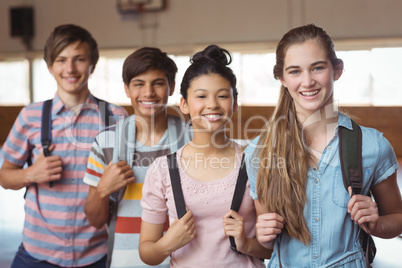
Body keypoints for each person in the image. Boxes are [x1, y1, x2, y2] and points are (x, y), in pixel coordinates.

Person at [244, 24, 402, 267]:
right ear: (282, 78)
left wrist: (378, 223)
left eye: (317, 68)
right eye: (295, 71)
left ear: (336, 70)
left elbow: (398, 218)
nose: (307, 82)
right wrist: (262, 233)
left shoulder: (373, 146)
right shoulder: (259, 151)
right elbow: (265, 239)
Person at [0, 24, 128, 267]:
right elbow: (4, 177)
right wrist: (30, 173)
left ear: (92, 64)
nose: (70, 69)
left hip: (96, 255)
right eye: (61, 60)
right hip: (36, 254)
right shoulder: (31, 116)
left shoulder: (115, 118)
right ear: (50, 66)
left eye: (79, 59)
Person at [139, 45, 269, 267]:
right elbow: (147, 252)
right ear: (184, 104)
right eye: (201, 96)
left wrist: (245, 243)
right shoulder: (162, 170)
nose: (212, 105)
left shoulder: (255, 161)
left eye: (222, 96)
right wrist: (166, 244)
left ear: (234, 104)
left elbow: (271, 248)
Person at [83, 47, 191, 268]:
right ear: (127, 89)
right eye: (139, 84)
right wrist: (103, 189)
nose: (148, 92)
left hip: (185, 261)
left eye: (158, 83)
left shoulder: (193, 137)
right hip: (125, 262)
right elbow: (95, 220)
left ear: (171, 87)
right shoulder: (105, 142)